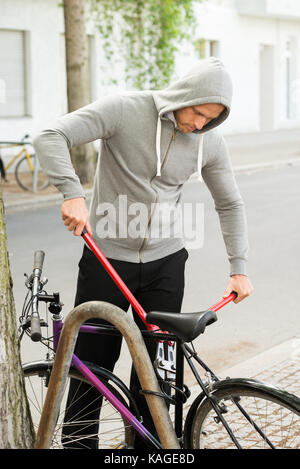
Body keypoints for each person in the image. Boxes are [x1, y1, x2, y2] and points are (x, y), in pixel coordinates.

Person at [33, 57, 254, 448]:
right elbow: (51, 135)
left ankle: (149, 449)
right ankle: (79, 445)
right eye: (198, 112)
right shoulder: (124, 109)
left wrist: (239, 268)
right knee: (92, 367)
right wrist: (72, 192)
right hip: (105, 261)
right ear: (184, 95)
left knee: (157, 378)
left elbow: (230, 203)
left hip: (166, 265)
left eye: (212, 118)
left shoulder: (210, 141)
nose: (200, 123)